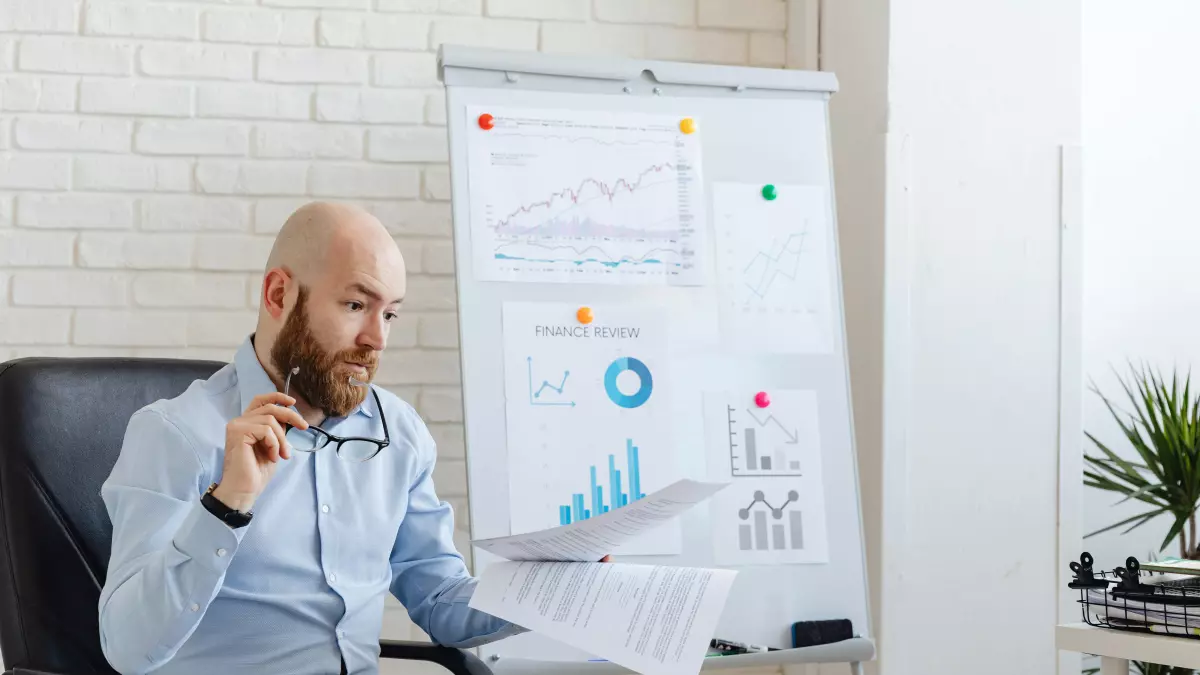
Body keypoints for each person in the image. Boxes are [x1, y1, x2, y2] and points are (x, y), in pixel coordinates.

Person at [98, 202, 607, 675]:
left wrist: (558, 591)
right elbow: (127, 647)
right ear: (280, 295)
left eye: (389, 313)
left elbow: (439, 599)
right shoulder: (175, 434)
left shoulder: (398, 433)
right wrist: (227, 507)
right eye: (356, 304)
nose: (377, 338)